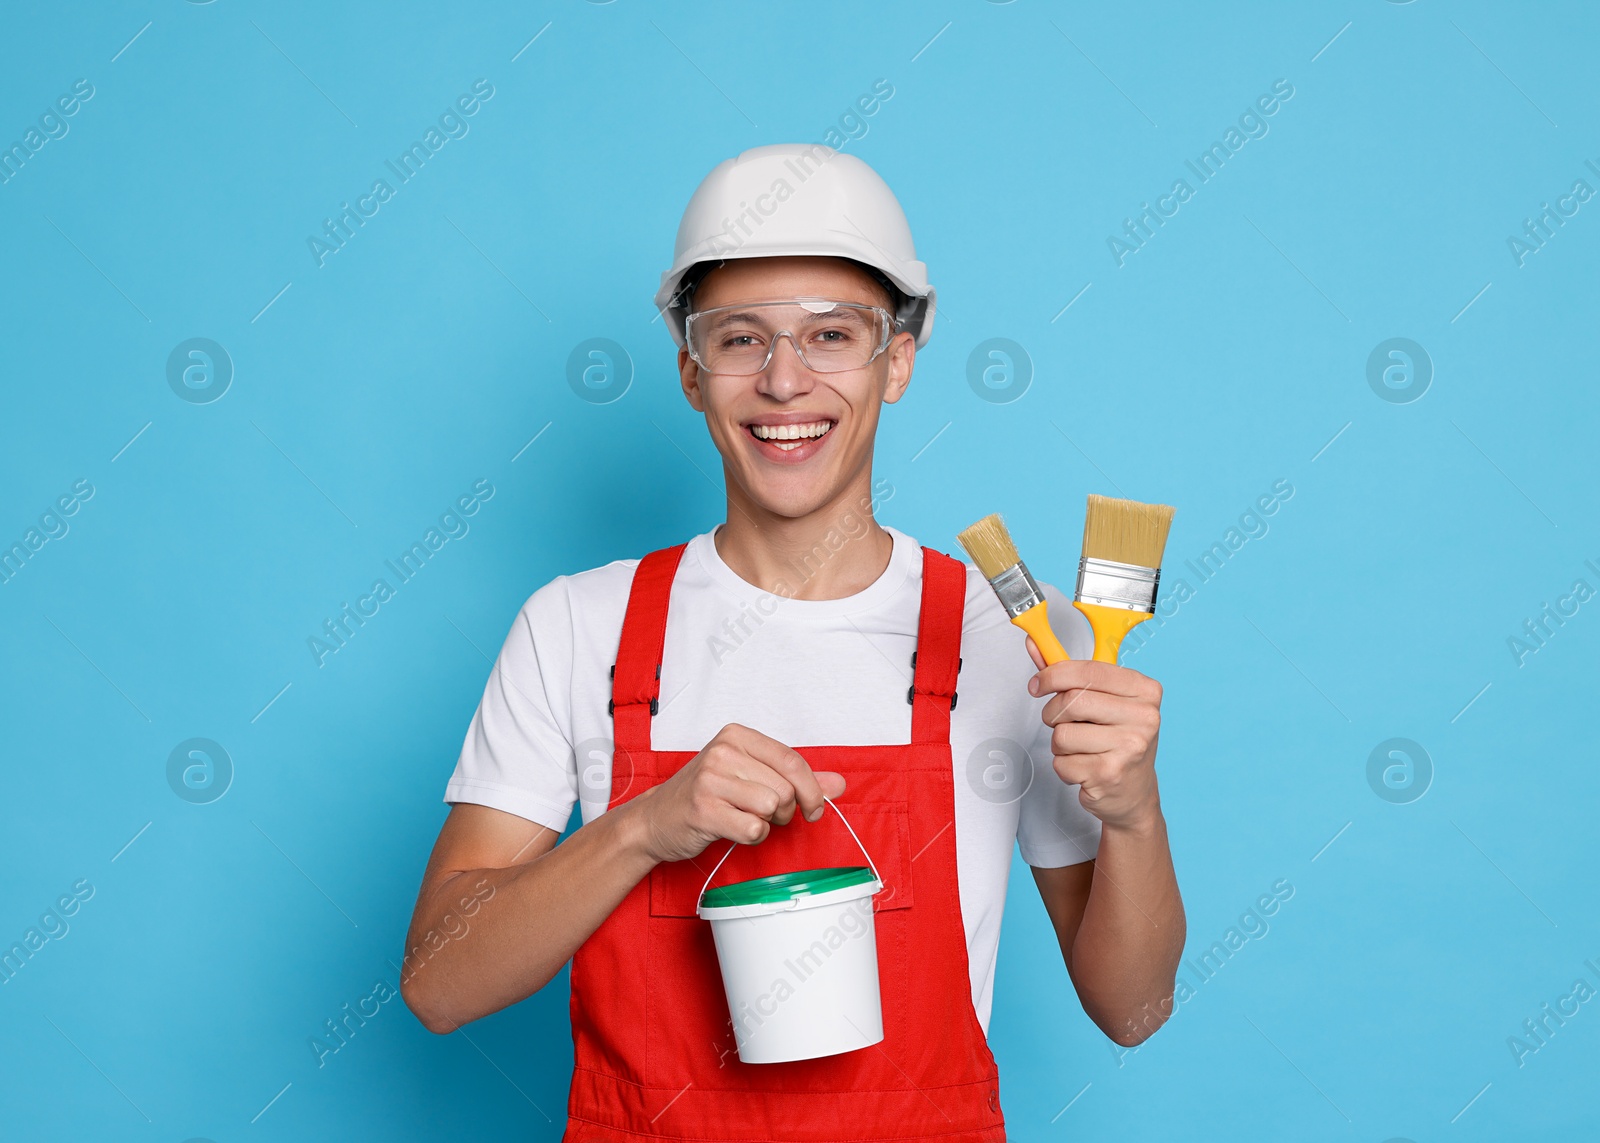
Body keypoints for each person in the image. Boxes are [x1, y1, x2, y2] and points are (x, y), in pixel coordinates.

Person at [400, 143, 1184, 1141]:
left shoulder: (1013, 639)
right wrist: (642, 827)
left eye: (830, 336)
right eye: (739, 340)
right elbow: (438, 986)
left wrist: (1135, 814)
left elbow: (1132, 1010)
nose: (783, 381)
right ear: (691, 372)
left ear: (897, 361)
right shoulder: (576, 626)